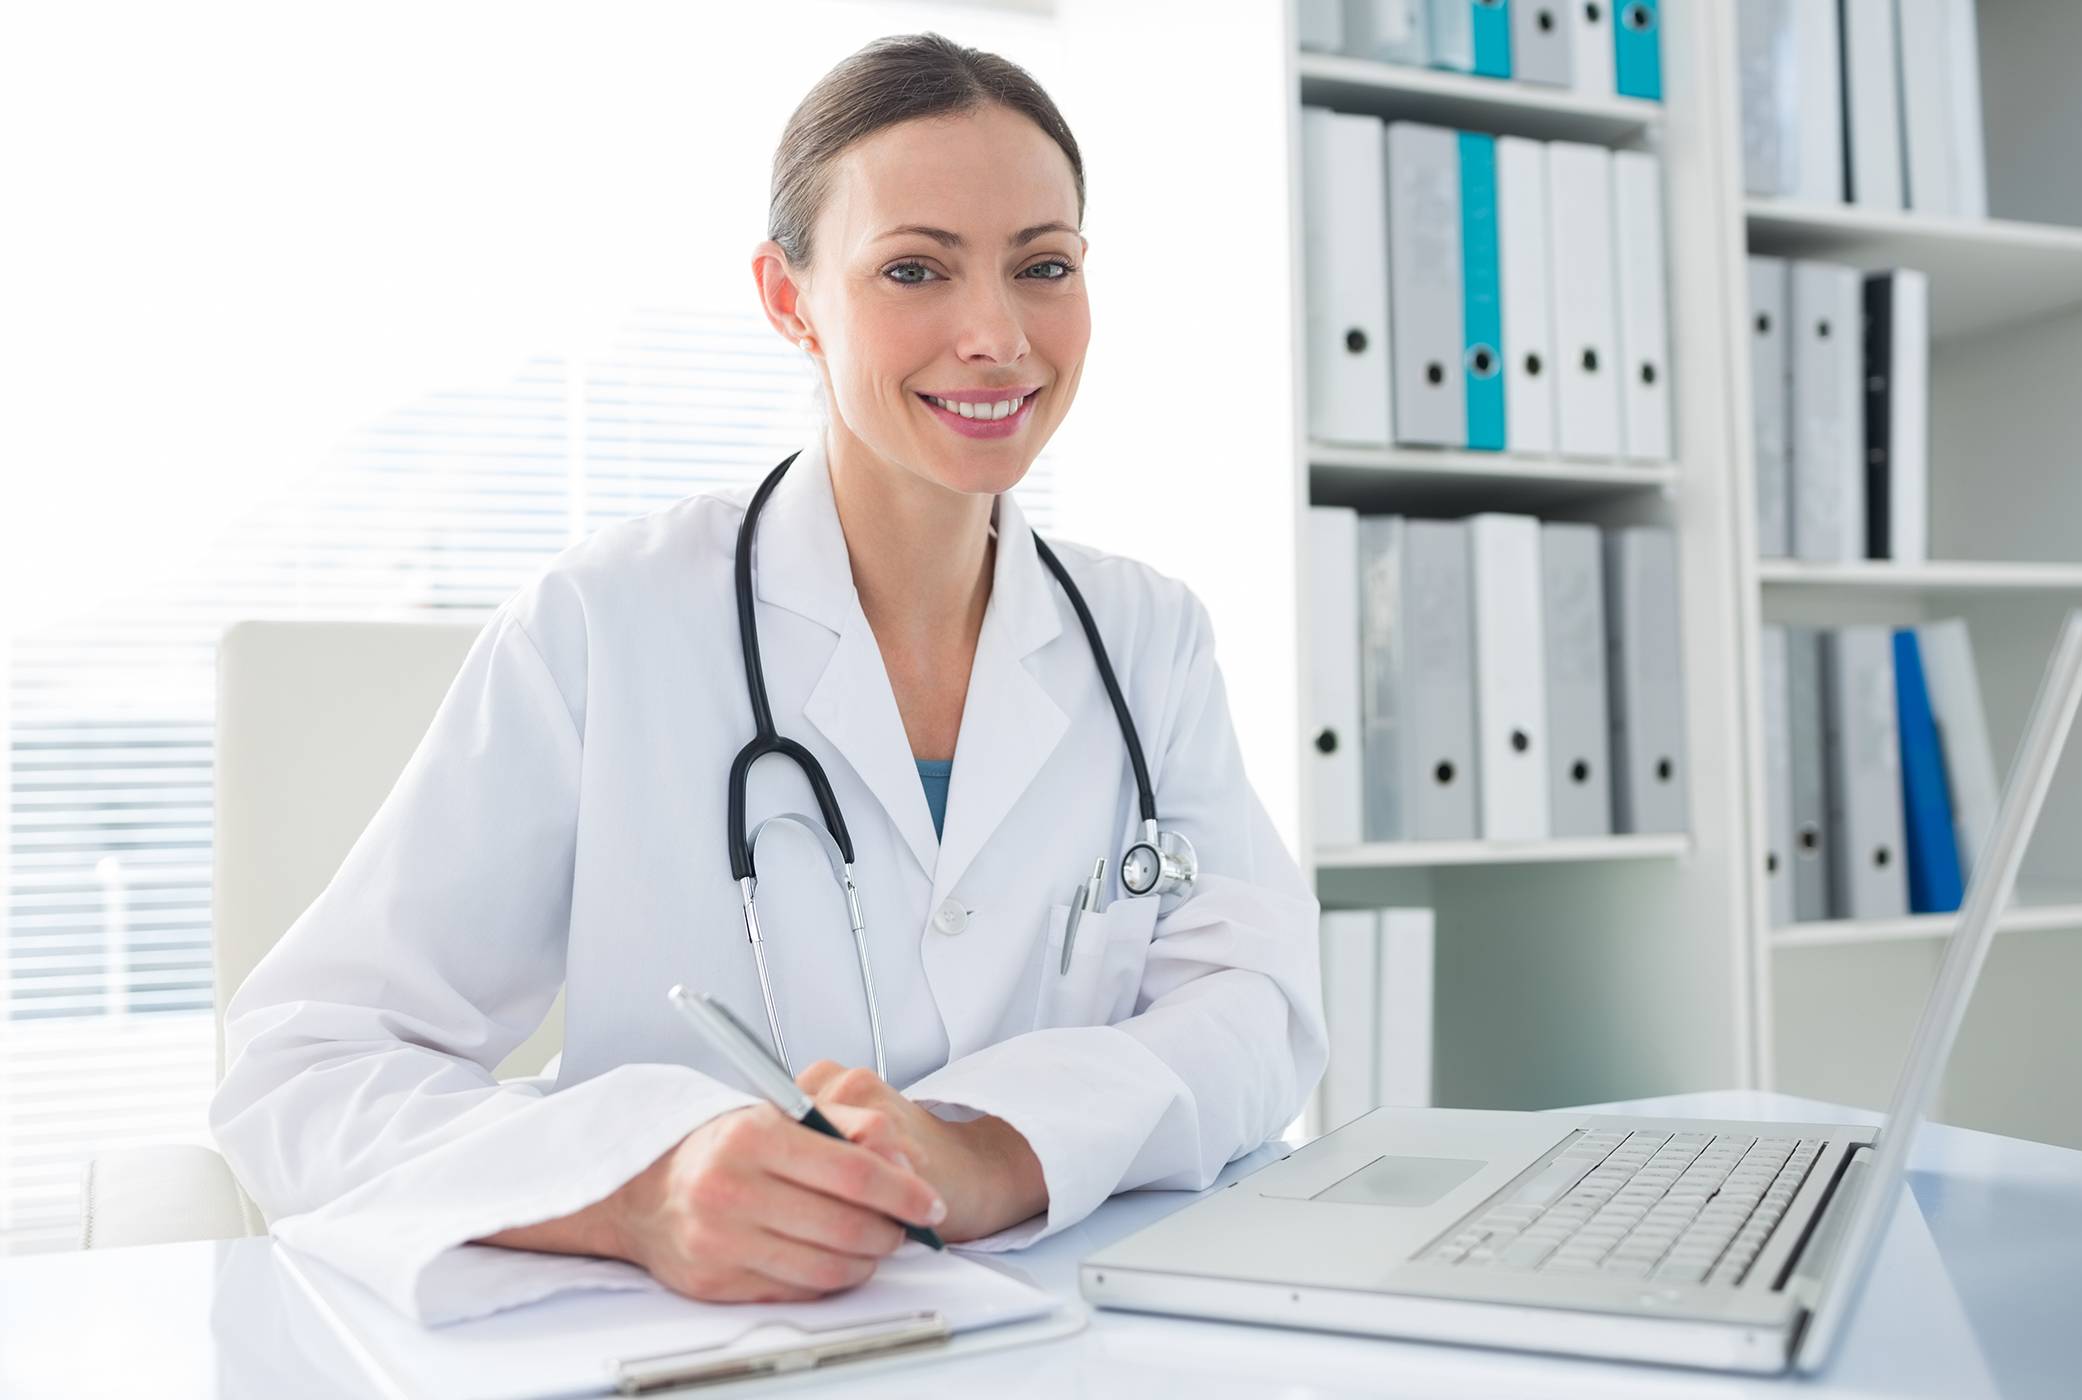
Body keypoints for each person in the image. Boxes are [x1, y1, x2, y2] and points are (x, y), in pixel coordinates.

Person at [210, 31, 1325, 1316]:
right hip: (705, 1342)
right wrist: (636, 1187)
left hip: (1075, 1329)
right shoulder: (604, 621)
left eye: (1044, 266)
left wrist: (996, 1150)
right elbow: (305, 1064)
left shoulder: (1149, 634)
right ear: (789, 298)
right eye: (915, 267)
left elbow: (1260, 1003)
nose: (996, 334)